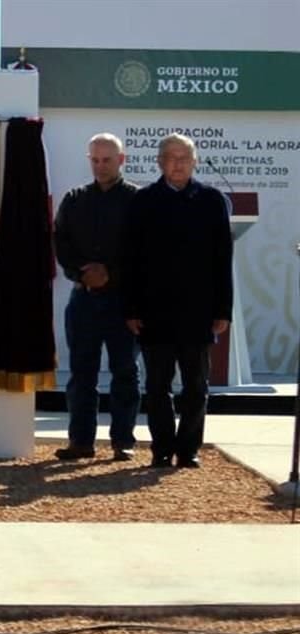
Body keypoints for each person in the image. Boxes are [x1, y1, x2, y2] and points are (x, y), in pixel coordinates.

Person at [122, 133, 233, 469]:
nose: (178, 163)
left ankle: (188, 450)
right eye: (171, 157)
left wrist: (222, 309)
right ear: (159, 162)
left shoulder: (212, 200)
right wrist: (131, 308)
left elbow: (222, 259)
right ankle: (162, 448)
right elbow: (131, 259)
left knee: (196, 387)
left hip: (198, 311)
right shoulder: (143, 200)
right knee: (157, 387)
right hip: (154, 311)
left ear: (195, 161)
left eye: (185, 156)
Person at [53, 133, 140, 462]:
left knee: (125, 372)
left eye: (107, 159)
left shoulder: (137, 200)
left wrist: (111, 273)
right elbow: (61, 243)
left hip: (123, 302)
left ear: (122, 160)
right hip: (84, 299)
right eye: (95, 159)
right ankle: (80, 442)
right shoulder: (75, 199)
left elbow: (143, 250)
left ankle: (123, 442)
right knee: (81, 373)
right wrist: (81, 273)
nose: (100, 165)